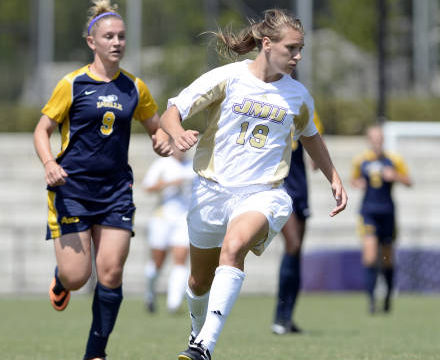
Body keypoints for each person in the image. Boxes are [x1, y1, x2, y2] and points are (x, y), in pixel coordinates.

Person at [159, 9, 348, 360]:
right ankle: (196, 331)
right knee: (199, 281)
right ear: (266, 44)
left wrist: (334, 177)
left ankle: (203, 348)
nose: (298, 56)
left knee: (233, 249)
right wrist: (177, 132)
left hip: (263, 194)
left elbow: (311, 137)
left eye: (301, 48)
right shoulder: (228, 78)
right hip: (211, 192)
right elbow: (173, 111)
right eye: (291, 48)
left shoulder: (298, 96)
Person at [32, 1, 171, 359]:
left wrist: (162, 141)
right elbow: (42, 129)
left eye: (122, 36)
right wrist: (49, 162)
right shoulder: (72, 83)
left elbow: (155, 127)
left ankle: (96, 353)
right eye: (108, 36)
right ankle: (63, 278)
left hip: (115, 192)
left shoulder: (134, 87)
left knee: (110, 273)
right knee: (78, 276)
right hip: (72, 190)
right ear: (91, 42)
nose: (116, 42)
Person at [351, 124, 412, 315]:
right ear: (369, 141)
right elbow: (353, 180)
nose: (376, 142)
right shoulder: (360, 161)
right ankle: (371, 301)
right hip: (368, 212)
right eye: (373, 139)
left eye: (379, 138)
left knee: (387, 258)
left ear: (383, 140)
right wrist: (358, 183)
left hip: (388, 212)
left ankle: (387, 297)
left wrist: (395, 176)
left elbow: (409, 181)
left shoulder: (394, 160)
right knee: (369, 256)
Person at [271, 111, 323, 335]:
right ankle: (279, 317)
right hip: (278, 185)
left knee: (297, 251)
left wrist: (317, 158)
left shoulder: (304, 108)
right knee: (292, 245)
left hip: (299, 186)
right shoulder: (266, 105)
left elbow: (316, 140)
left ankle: (287, 316)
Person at [142, 147, 194, 314]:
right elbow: (147, 187)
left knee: (181, 258)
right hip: (162, 217)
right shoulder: (162, 164)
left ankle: (174, 302)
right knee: (157, 261)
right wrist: (169, 183)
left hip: (183, 218)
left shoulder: (192, 165)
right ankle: (150, 294)